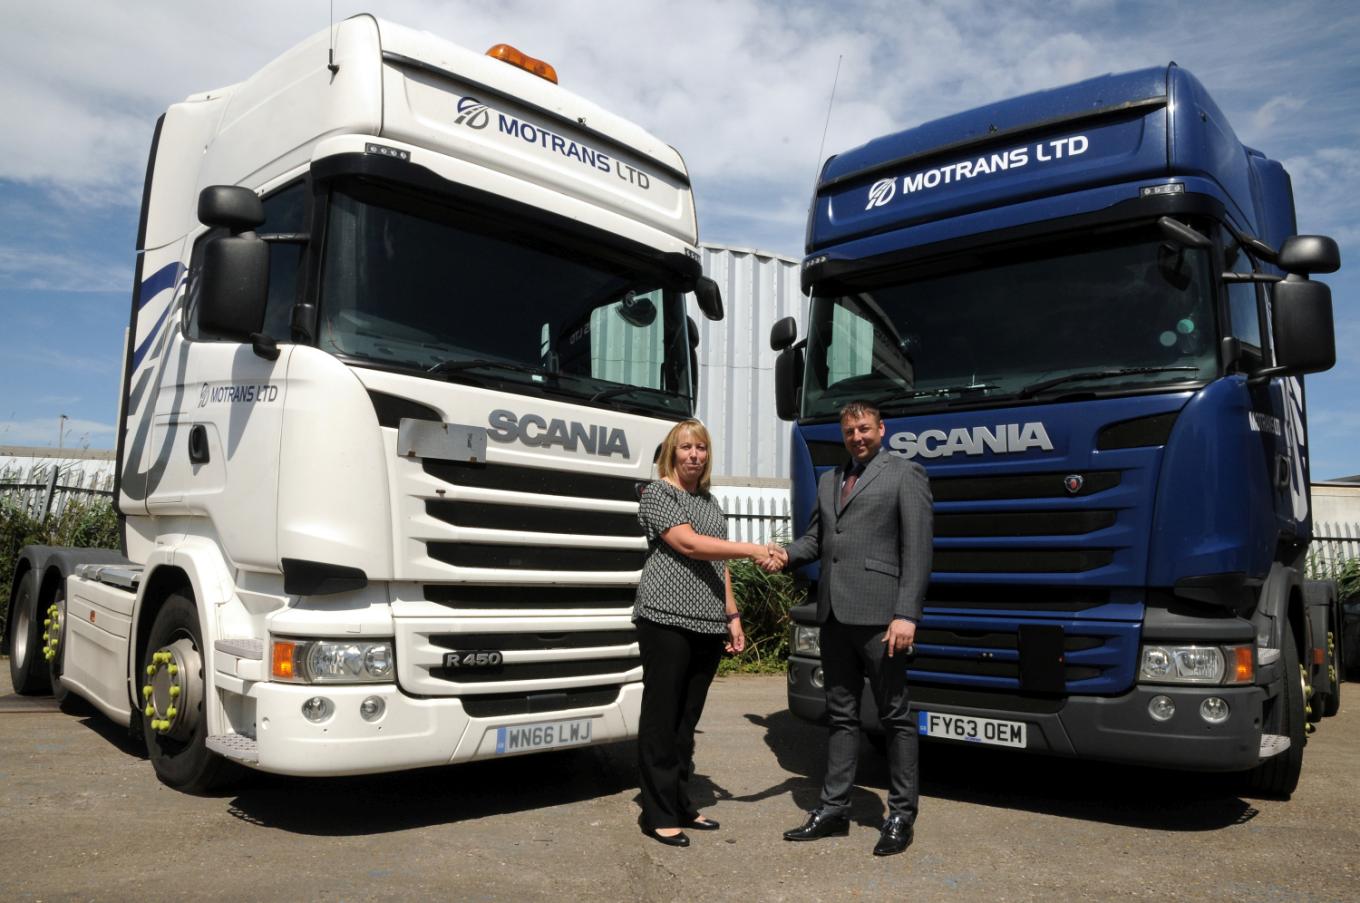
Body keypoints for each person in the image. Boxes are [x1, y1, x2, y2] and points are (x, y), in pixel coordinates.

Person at [764, 400, 932, 857]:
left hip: (882, 618)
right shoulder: (828, 479)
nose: (857, 437)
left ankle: (900, 815)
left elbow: (917, 550)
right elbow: (819, 540)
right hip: (834, 615)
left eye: (864, 429)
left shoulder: (905, 474)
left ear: (882, 429)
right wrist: (785, 555)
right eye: (849, 432)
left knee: (895, 716)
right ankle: (834, 809)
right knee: (841, 716)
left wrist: (907, 614)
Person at [634, 418, 777, 848]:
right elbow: (690, 545)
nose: (694, 455)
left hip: (707, 621)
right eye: (685, 448)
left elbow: (719, 564)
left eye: (700, 448)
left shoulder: (711, 503)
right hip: (665, 618)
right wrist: (755, 548)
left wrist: (731, 615)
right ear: (671, 453)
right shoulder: (658, 493)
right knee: (662, 717)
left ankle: (679, 800)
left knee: (686, 720)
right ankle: (657, 812)